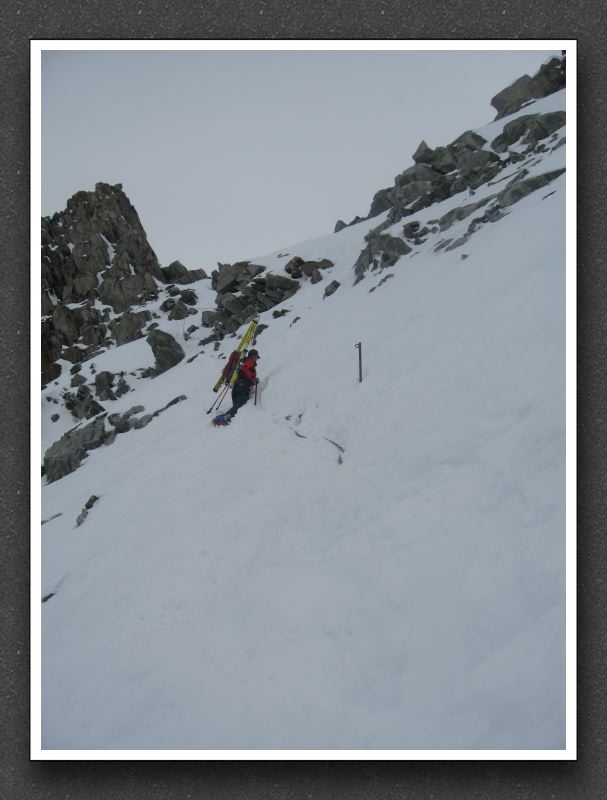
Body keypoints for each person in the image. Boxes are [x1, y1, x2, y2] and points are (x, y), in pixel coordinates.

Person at [215, 349, 260, 425]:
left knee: (237, 408)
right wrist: (252, 377)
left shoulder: (243, 361)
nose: (257, 359)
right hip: (242, 388)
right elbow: (244, 368)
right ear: (253, 356)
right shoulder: (250, 361)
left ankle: (223, 418)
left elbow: (243, 371)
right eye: (256, 357)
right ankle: (224, 418)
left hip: (236, 388)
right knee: (240, 406)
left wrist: (253, 380)